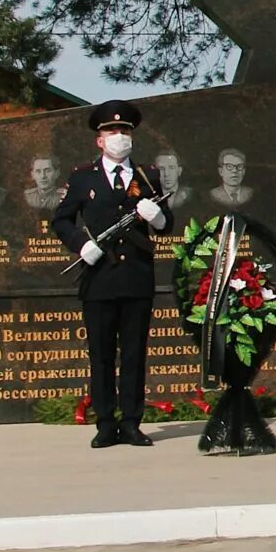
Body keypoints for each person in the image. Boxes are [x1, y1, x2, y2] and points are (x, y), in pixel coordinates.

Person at [49, 101, 174, 449]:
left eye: (124, 131)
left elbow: (167, 224)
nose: (119, 137)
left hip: (136, 277)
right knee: (101, 354)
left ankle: (132, 422)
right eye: (111, 132)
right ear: (99, 140)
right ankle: (105, 422)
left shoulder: (146, 175)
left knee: (135, 353)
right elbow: (60, 219)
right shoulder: (83, 177)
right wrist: (79, 244)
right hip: (99, 278)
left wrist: (157, 218)